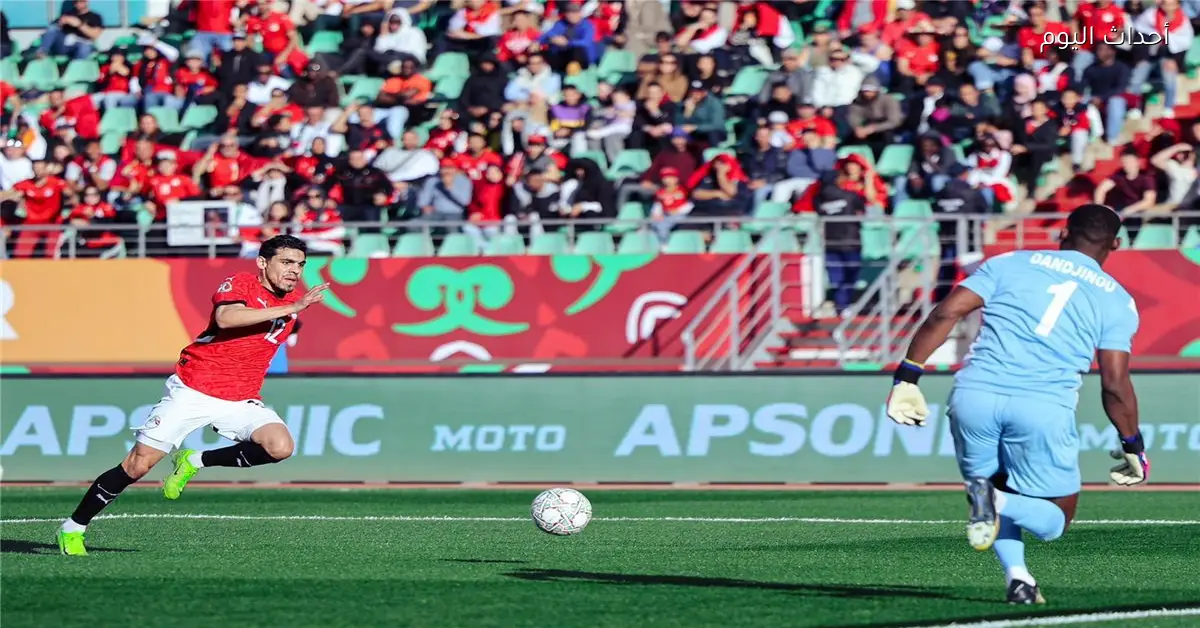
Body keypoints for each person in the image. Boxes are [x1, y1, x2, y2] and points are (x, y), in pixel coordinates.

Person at [885, 204, 1146, 604]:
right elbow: (1114, 383)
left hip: (974, 396)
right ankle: (996, 504)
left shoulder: (1009, 262)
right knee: (1055, 520)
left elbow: (946, 313)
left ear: (1063, 233)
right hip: (1042, 407)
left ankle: (1019, 579)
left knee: (988, 489)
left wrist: (907, 377)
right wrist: (1132, 444)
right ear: (1115, 244)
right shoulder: (1118, 300)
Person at [56, 236, 330, 556]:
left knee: (280, 447)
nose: (294, 270)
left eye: (300, 264)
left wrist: (292, 308)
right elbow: (226, 318)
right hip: (194, 389)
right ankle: (73, 528)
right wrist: (292, 307)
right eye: (286, 262)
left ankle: (194, 459)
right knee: (138, 465)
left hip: (240, 398)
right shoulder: (242, 284)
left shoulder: (294, 302)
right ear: (262, 262)